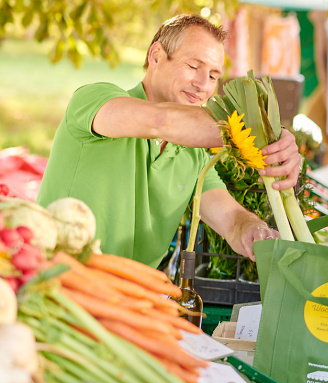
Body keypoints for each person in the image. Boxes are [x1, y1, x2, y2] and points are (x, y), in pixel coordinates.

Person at [37, 14, 302, 268]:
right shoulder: (95, 100)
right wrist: (263, 134)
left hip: (132, 299)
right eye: (193, 66)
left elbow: (232, 220)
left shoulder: (194, 154)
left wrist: (252, 229)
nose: (202, 85)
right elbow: (161, 121)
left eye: (213, 76)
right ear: (155, 56)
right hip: (55, 283)